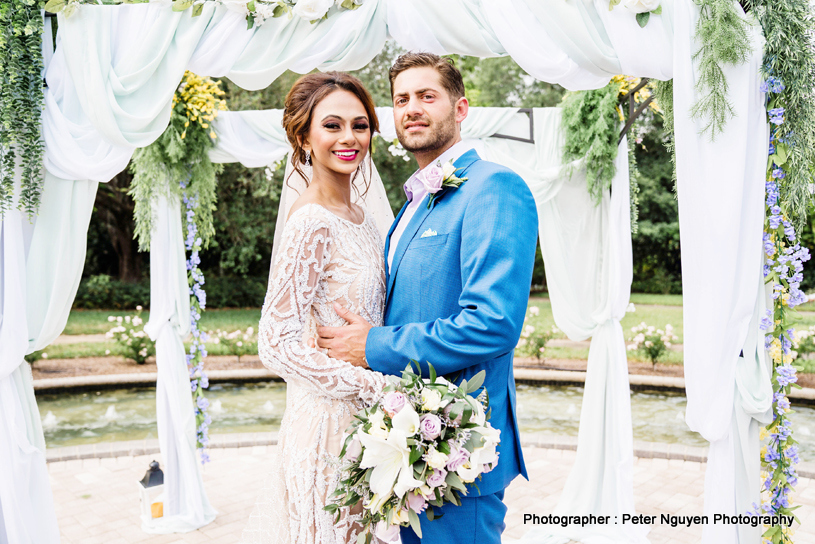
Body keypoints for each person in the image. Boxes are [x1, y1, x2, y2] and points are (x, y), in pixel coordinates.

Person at [317, 52, 539, 544]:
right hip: (408, 442)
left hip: (458, 447)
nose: (412, 108)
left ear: (460, 109)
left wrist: (372, 346)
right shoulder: (414, 203)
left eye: (426, 96)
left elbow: (492, 324)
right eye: (401, 99)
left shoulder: (494, 188)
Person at [240, 72, 389, 544]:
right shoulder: (310, 222)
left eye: (360, 124)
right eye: (333, 125)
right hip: (329, 429)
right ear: (304, 136)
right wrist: (372, 386)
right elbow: (275, 343)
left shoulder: (363, 218)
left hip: (373, 421)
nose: (349, 138)